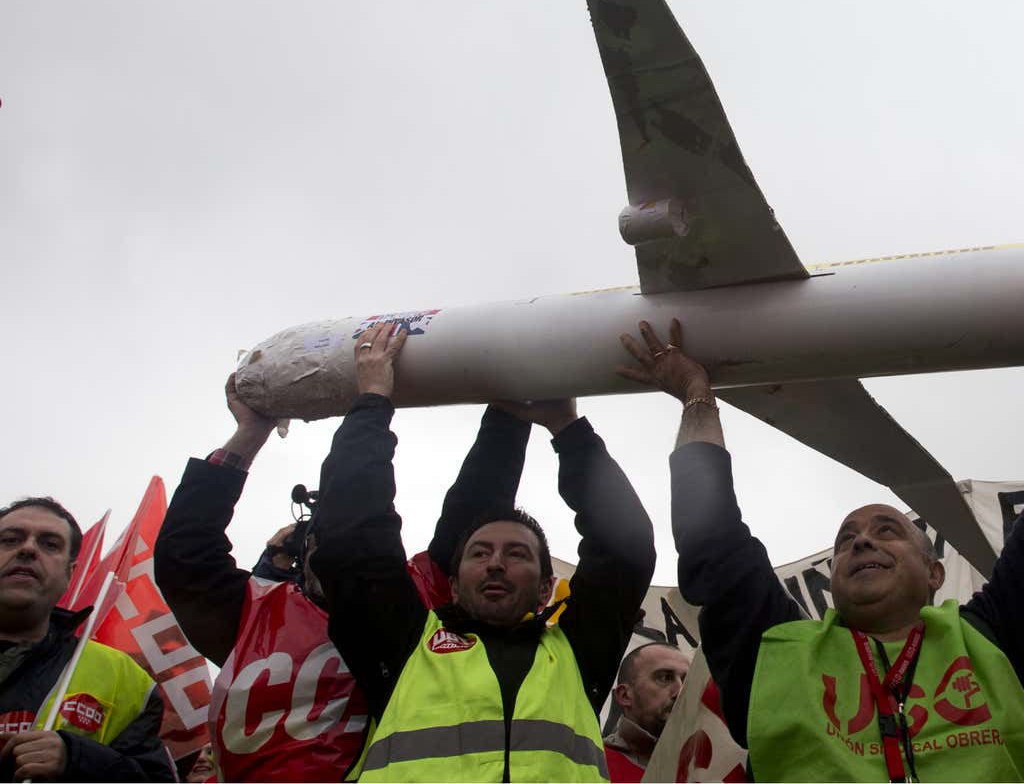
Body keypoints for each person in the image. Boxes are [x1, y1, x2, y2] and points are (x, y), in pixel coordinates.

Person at [616, 319, 1024, 782]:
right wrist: (697, 397)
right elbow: (713, 540)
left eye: (887, 530)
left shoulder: (991, 642)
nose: (862, 540)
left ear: (935, 574)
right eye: (846, 540)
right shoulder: (779, 654)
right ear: (834, 581)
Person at [153, 369, 554, 782]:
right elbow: (183, 552)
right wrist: (252, 431)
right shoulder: (253, 611)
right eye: (321, 539)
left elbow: (478, 500)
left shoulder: (415, 599)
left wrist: (512, 400)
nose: (335, 549)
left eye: (342, 534)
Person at [312, 321, 655, 781]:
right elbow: (352, 535)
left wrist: (567, 427)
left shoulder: (576, 653)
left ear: (546, 588)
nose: (495, 562)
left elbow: (626, 547)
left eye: (516, 554)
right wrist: (373, 401)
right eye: (479, 553)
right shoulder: (403, 643)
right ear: (451, 584)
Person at [0, 497, 175, 781]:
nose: (28, 549)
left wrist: (78, 759)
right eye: (10, 540)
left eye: (50, 544)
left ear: (70, 574)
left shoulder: (123, 678)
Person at [604, 642, 690, 782]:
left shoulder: (708, 774)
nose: (681, 691)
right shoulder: (590, 764)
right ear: (625, 695)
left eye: (686, 682)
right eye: (665, 678)